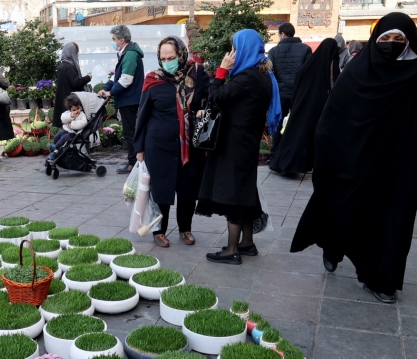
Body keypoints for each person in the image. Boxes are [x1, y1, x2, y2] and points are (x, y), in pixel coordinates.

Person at [290, 13, 417, 303]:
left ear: (410, 43)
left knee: (387, 219)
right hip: (354, 160)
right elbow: (333, 119)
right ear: (376, 40)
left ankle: (379, 278)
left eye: (400, 39)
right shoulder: (357, 72)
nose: (392, 44)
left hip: (397, 164)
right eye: (386, 39)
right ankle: (333, 246)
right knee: (344, 208)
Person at [196, 29, 281, 265]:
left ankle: (231, 249)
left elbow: (216, 97)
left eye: (235, 48)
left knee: (233, 192)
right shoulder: (260, 75)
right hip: (245, 141)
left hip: (236, 142)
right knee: (244, 191)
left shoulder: (247, 79)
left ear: (244, 49)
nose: (232, 53)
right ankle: (247, 243)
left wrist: (221, 70)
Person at [133, 36, 209, 248]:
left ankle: (185, 229)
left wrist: (204, 107)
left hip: (189, 146)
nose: (167, 61)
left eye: (172, 57)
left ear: (181, 55)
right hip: (158, 145)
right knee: (161, 190)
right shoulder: (152, 79)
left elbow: (211, 98)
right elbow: (143, 115)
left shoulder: (197, 74)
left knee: (187, 190)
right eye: (163, 58)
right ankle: (159, 230)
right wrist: (139, 148)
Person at [269, 39, 340, 174]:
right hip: (318, 107)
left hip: (298, 103)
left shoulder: (309, 66)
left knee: (293, 132)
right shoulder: (330, 64)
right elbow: (335, 87)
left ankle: (282, 162)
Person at [99, 24, 144, 174]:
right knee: (130, 132)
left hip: (129, 99)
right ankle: (134, 162)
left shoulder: (130, 54)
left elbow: (126, 79)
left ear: (122, 40)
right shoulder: (126, 53)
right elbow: (117, 77)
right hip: (127, 98)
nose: (113, 42)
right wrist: (106, 87)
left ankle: (133, 163)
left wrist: (110, 92)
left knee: (130, 133)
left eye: (114, 39)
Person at [268, 23, 312, 157]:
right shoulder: (305, 49)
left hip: (280, 93)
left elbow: (270, 72)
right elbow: (308, 72)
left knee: (279, 123)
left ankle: (275, 153)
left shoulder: (274, 51)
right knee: (296, 123)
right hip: (298, 93)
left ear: (282, 34)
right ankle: (293, 154)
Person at [53, 42, 92, 128]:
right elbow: (76, 83)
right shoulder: (69, 67)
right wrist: (88, 77)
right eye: (76, 52)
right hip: (70, 103)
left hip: (64, 101)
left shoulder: (62, 66)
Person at [48, 93, 88, 160]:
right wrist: (71, 116)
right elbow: (63, 118)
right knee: (57, 136)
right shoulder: (68, 113)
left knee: (64, 138)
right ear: (70, 110)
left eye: (78, 108)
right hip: (66, 131)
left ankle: (55, 147)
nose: (77, 111)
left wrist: (71, 124)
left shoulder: (82, 115)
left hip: (74, 133)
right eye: (74, 110)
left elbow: (83, 123)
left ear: (80, 107)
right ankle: (56, 151)